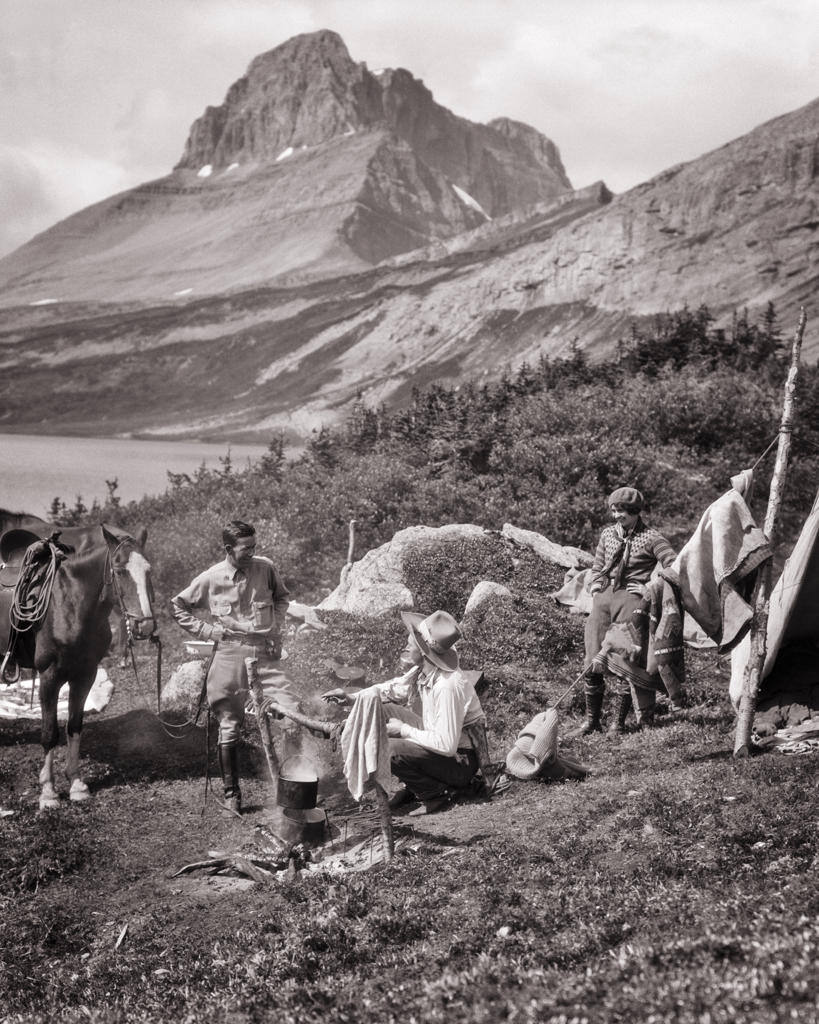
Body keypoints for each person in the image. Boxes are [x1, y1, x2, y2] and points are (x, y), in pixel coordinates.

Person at [171, 519, 298, 816]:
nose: (252, 553)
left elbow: (282, 598)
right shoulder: (211, 577)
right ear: (229, 549)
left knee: (290, 715)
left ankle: (291, 790)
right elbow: (177, 606)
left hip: (264, 654)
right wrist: (207, 631)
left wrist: (276, 627)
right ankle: (233, 795)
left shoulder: (265, 567)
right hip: (228, 655)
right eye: (246, 549)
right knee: (229, 726)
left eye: (254, 546)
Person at [325, 610, 486, 816]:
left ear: (424, 650)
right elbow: (393, 688)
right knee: (382, 710)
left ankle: (436, 793)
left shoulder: (447, 686)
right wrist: (351, 697)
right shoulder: (424, 670)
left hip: (459, 761)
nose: (406, 646)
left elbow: (446, 745)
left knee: (388, 748)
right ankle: (413, 786)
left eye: (411, 643)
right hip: (438, 744)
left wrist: (403, 730)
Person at [579, 487, 676, 734]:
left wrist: (650, 585)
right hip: (605, 596)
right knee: (592, 654)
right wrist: (596, 589)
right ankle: (592, 722)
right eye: (613, 510)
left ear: (635, 512)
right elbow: (598, 566)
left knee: (622, 656)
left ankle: (618, 723)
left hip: (632, 599)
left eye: (621, 511)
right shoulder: (608, 535)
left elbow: (674, 565)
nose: (616, 516)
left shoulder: (653, 538)